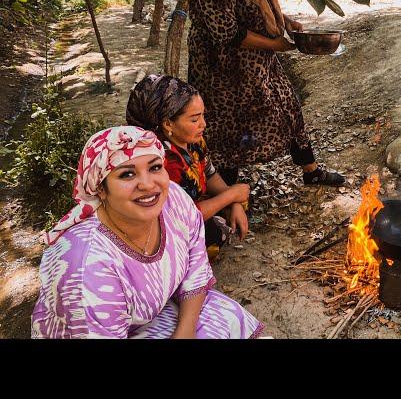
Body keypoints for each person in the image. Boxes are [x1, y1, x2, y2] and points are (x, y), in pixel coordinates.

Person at [31, 126, 264, 339]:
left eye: (154, 167)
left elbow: (196, 269)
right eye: (127, 174)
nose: (148, 184)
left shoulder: (173, 199)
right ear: (101, 189)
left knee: (226, 316)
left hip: (154, 316)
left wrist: (184, 332)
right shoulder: (87, 265)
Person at [187, 0, 345, 187]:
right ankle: (223, 194)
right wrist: (273, 44)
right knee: (225, 126)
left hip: (257, 61)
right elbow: (225, 31)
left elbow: (258, 7)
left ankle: (311, 170)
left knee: (288, 106)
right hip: (222, 68)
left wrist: (286, 22)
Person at [126, 74, 249, 260]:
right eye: (194, 119)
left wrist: (234, 201)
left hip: (193, 208)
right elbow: (182, 216)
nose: (203, 124)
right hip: (170, 224)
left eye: (202, 116)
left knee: (242, 202)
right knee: (214, 232)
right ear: (168, 124)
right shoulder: (160, 162)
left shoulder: (192, 141)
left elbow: (209, 173)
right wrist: (231, 195)